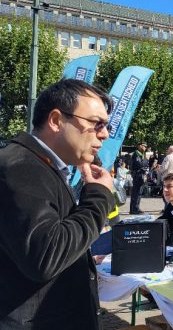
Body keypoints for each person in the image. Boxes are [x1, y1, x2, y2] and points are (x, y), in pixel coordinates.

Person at [0, 79, 114, 329]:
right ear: (55, 120)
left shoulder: (40, 166)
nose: (105, 134)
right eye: (97, 123)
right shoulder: (22, 166)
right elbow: (46, 255)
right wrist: (98, 197)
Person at [130, 141, 148, 214]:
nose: (145, 147)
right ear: (139, 146)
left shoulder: (142, 154)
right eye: (143, 146)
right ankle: (134, 209)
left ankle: (135, 207)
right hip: (138, 174)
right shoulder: (136, 154)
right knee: (136, 192)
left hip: (141, 174)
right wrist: (145, 162)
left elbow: (145, 164)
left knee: (138, 193)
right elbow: (139, 164)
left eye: (145, 146)